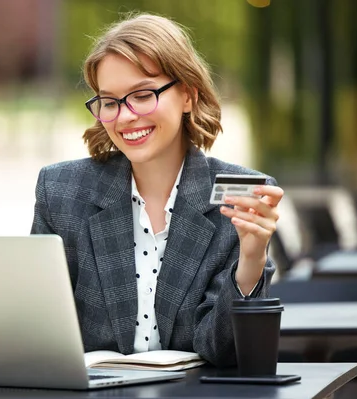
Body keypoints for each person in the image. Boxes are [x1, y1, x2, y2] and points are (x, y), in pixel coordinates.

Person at [30, 13, 283, 367]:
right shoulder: (62, 192)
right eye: (110, 101)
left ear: (188, 96)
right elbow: (37, 329)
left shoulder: (237, 197)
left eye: (143, 95)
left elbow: (221, 350)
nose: (125, 116)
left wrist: (252, 260)